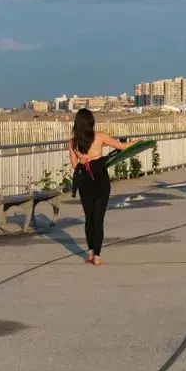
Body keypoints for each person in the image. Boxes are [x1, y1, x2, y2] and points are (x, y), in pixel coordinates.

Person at [68, 108, 129, 266]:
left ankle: (90, 252)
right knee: (98, 219)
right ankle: (97, 256)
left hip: (84, 182)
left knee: (89, 218)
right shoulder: (100, 136)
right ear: (91, 123)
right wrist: (138, 143)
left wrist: (84, 158)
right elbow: (122, 147)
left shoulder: (73, 142)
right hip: (100, 180)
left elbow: (75, 165)